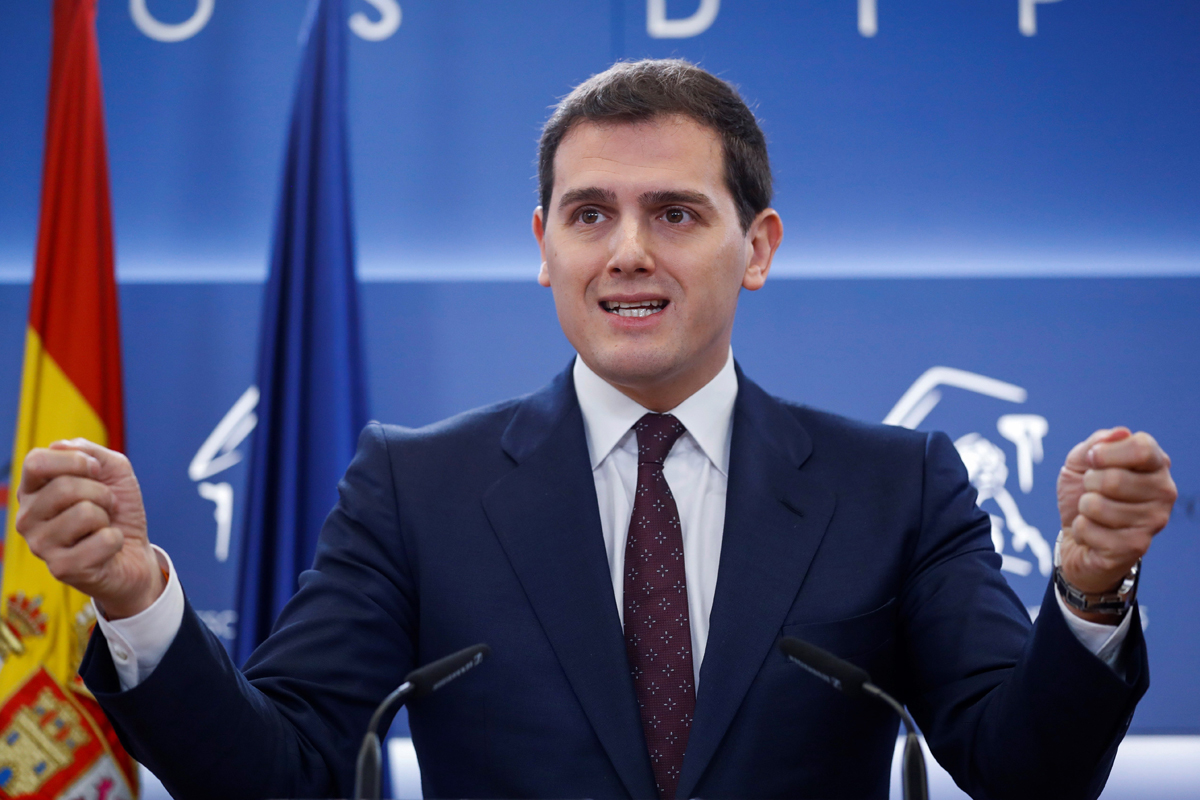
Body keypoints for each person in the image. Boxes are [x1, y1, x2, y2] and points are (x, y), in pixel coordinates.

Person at [14, 60, 1176, 800]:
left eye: (675, 212)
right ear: (543, 246)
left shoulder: (897, 482)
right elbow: (283, 772)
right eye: (591, 214)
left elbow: (1026, 773)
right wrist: (133, 593)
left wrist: (1084, 591)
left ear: (757, 246)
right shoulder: (418, 486)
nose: (628, 250)